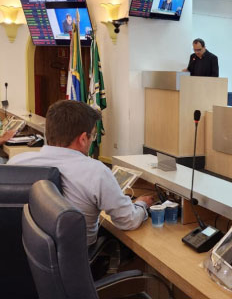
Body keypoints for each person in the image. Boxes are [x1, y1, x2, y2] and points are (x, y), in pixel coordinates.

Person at [9, 100, 154, 246]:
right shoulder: (96, 171)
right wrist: (142, 204)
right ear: (83, 139)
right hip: (77, 255)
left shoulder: (16, 163)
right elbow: (128, 221)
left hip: (22, 251)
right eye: (93, 136)